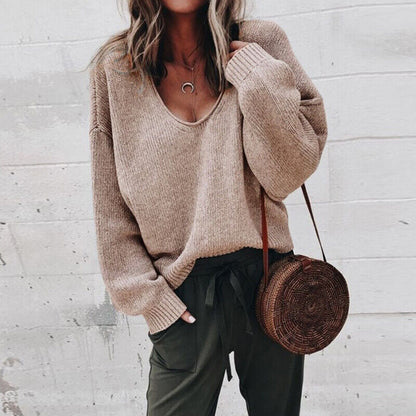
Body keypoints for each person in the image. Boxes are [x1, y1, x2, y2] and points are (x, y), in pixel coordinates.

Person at [87, 0, 328, 415]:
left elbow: (287, 174)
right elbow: (109, 204)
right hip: (181, 293)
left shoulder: (261, 44)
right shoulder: (116, 68)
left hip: (269, 282)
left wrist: (258, 79)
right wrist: (152, 302)